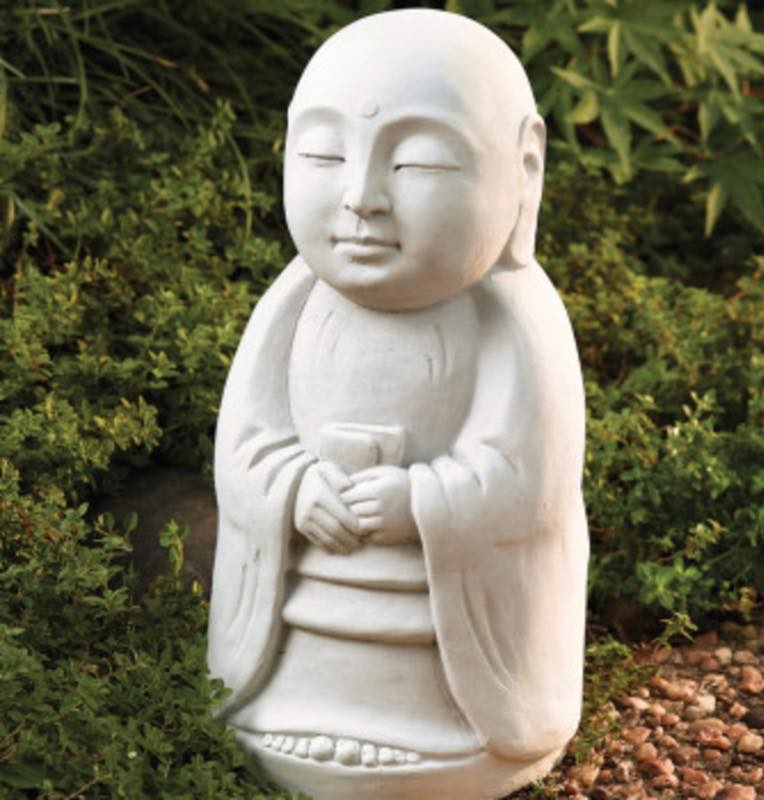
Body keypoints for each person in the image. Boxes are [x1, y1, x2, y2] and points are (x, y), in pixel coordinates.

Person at [207, 9, 589, 800]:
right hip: (311, 586)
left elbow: (532, 484)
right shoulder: (292, 302)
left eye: (418, 163)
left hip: (443, 607)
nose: (361, 198)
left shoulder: (517, 320)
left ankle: (459, 731)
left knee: (435, 693)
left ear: (524, 170)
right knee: (306, 660)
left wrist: (420, 501)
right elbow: (244, 446)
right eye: (324, 153)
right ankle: (289, 704)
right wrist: (293, 488)